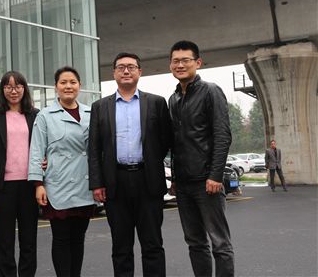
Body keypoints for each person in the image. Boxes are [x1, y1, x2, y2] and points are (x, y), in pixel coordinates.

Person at [88, 53, 173, 277]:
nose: (126, 71)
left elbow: (166, 140)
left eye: (131, 67)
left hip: (148, 180)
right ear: (114, 73)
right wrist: (97, 183)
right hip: (115, 182)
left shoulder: (156, 103)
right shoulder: (100, 107)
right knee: (121, 247)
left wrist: (152, 161)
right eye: (121, 67)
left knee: (153, 244)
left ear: (139, 72)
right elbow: (94, 148)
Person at [168, 40, 235, 277]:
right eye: (175, 61)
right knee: (195, 243)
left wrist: (215, 175)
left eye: (185, 60)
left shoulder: (211, 91)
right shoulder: (174, 99)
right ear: (170, 65)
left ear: (198, 62)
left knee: (220, 243)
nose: (180, 65)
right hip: (184, 184)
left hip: (207, 182)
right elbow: (176, 143)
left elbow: (222, 135)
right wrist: (175, 179)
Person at [28, 66, 95, 277]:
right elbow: (36, 151)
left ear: (79, 86)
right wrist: (38, 184)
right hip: (58, 185)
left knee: (78, 239)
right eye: (63, 82)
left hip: (85, 186)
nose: (68, 86)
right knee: (61, 239)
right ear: (56, 87)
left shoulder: (91, 113)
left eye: (72, 82)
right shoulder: (45, 116)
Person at [0, 71, 40, 277]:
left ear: (24, 89)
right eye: (8, 87)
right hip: (3, 187)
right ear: (2, 90)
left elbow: (42, 148)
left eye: (18, 86)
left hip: (29, 185)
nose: (13, 91)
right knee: (5, 241)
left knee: (29, 240)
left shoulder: (35, 114)